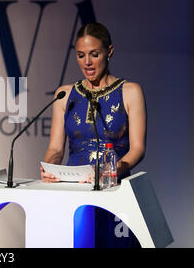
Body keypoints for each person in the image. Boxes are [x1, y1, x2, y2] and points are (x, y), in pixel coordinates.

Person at [40, 22, 146, 247]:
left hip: (114, 191)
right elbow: (56, 149)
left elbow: (137, 148)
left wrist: (113, 170)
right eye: (80, 55)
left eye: (94, 54)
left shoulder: (130, 91)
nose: (87, 62)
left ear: (109, 52)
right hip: (73, 191)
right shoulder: (64, 94)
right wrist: (50, 167)